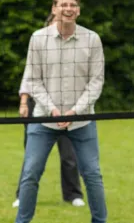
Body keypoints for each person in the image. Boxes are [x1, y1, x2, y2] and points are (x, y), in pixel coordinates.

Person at [10, 0, 112, 223]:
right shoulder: (38, 39)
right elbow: (33, 79)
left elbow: (96, 81)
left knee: (93, 174)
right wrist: (53, 109)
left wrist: (74, 110)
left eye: (72, 5)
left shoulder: (92, 39)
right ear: (54, 9)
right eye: (63, 4)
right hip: (44, 119)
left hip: (81, 120)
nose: (68, 9)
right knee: (31, 173)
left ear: (78, 10)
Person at [12, 12, 84, 209]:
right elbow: (28, 78)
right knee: (33, 156)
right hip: (40, 110)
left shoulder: (74, 49)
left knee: (69, 155)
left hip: (66, 108)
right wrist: (24, 102)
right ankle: (22, 195)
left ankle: (73, 195)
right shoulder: (38, 47)